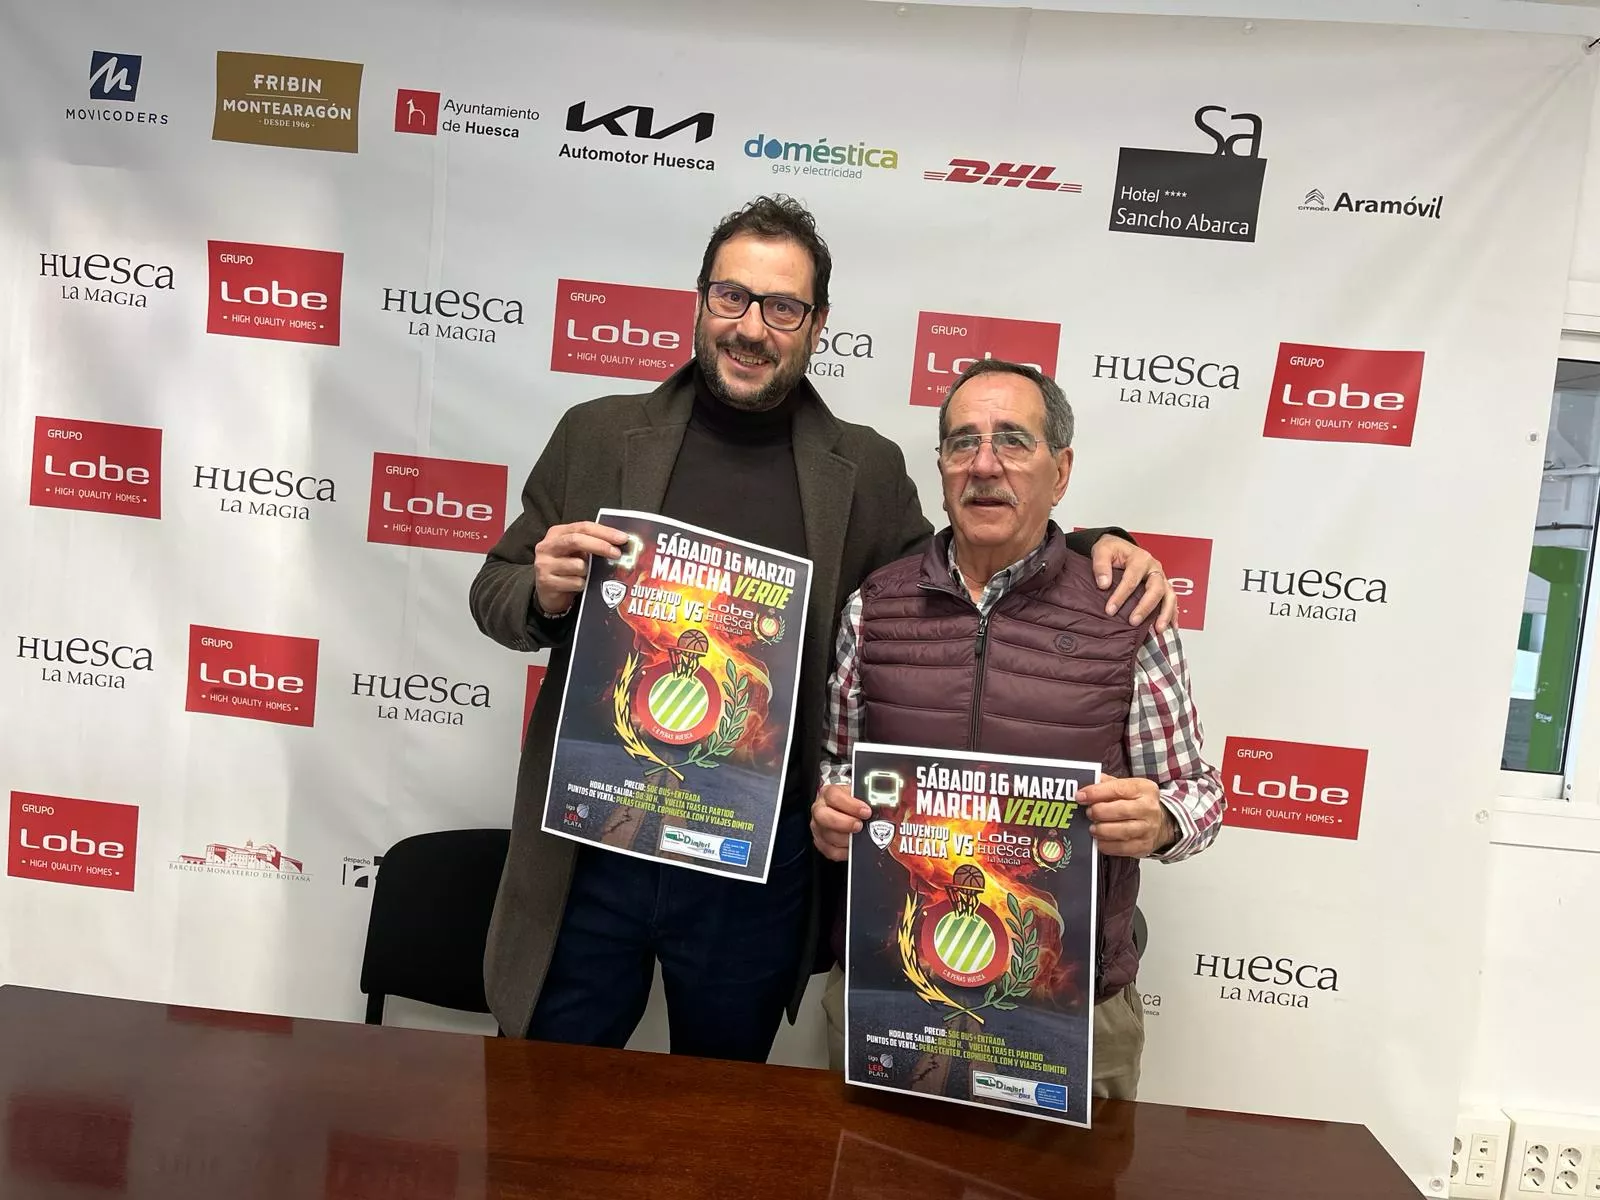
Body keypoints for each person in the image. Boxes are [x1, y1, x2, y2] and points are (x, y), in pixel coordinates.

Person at [468, 195, 1178, 1063]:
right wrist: (539, 591)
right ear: (699, 301)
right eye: (731, 297)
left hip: (752, 881)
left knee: (725, 1133)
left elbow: (966, 573)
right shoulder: (598, 435)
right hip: (588, 861)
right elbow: (494, 591)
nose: (751, 328)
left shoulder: (867, 470)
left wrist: (1102, 545)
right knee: (549, 1115)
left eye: (782, 307)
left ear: (817, 325)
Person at [810, 357, 1224, 1096]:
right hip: (894, 995)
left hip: (1070, 1013)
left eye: (1013, 441)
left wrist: (1160, 818)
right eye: (962, 442)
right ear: (939, 466)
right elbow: (836, 763)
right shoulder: (876, 605)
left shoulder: (1124, 610)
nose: (985, 465)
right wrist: (833, 810)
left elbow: (1198, 792)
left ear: (1060, 471)